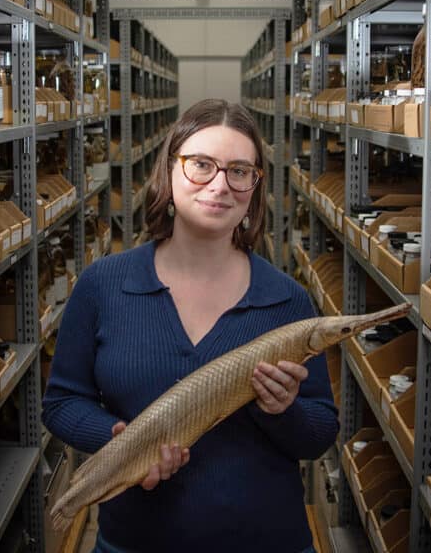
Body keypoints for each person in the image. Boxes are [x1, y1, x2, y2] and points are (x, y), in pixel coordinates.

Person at [41, 99, 339, 553]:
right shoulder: (104, 285)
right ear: (170, 169)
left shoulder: (285, 300)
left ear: (255, 186)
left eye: (240, 171)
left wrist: (284, 411)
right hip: (136, 542)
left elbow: (319, 432)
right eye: (202, 165)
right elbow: (62, 401)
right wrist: (124, 443)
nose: (220, 185)